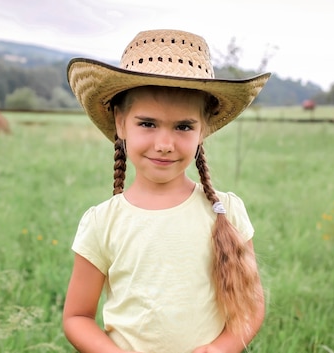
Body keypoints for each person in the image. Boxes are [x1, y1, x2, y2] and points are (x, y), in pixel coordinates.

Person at [63, 29, 271, 353]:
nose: (164, 145)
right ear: (120, 123)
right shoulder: (102, 222)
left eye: (183, 127)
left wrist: (220, 348)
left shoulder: (225, 212)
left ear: (204, 129)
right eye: (147, 124)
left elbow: (251, 307)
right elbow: (77, 317)